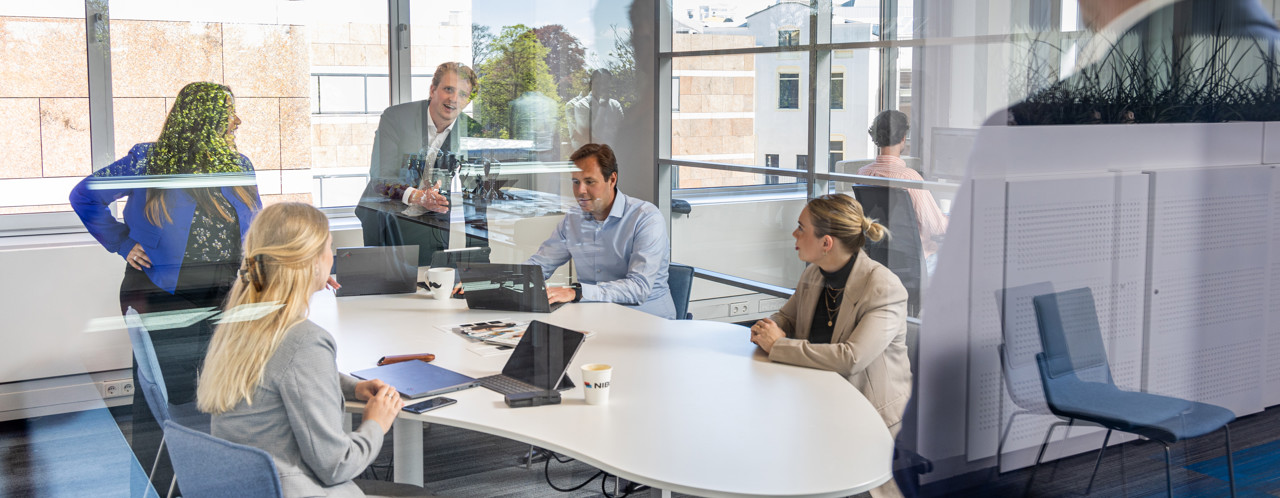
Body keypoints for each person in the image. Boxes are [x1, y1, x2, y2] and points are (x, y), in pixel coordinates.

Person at [68, 81, 262, 490]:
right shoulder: (150, 161)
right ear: (201, 119)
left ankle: (219, 481)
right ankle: (156, 485)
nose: (237, 120)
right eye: (229, 111)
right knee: (166, 402)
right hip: (162, 295)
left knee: (223, 394)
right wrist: (121, 242)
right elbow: (85, 195)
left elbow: (256, 229)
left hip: (226, 298)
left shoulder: (239, 163)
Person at [198, 203, 426, 497]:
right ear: (314, 262)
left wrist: (353, 388)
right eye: (330, 247)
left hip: (251, 487)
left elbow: (282, 372)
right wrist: (375, 424)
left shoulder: (243, 321)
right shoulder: (304, 340)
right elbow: (337, 467)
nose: (333, 256)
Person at [749, 194, 910, 498]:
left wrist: (778, 345)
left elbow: (852, 358)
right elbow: (788, 316)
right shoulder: (814, 272)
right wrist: (769, 326)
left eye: (801, 228)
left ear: (826, 243)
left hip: (869, 418)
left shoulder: (883, 287)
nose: (794, 234)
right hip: (820, 403)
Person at [355, 61, 488, 266]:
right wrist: (418, 196)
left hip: (430, 223)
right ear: (433, 89)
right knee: (386, 288)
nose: (454, 99)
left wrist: (479, 260)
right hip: (386, 216)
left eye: (462, 94)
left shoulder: (471, 131)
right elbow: (380, 178)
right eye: (448, 89)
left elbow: (476, 200)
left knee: (426, 286)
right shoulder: (397, 117)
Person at [526, 143, 677, 319]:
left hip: (646, 321)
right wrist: (503, 281)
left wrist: (577, 292)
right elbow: (540, 265)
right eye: (576, 182)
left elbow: (638, 289)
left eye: (589, 182)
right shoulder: (573, 219)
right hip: (593, 316)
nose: (580, 191)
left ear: (612, 179)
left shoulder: (646, 218)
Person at [857, 110, 948, 270]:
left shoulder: (863, 173)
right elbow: (936, 227)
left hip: (880, 259)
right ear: (903, 137)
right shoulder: (909, 177)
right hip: (917, 263)